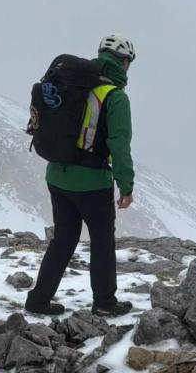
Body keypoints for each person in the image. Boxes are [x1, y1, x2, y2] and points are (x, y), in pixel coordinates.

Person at [25, 34, 136, 318]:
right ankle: (104, 303)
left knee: (63, 239)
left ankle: (38, 301)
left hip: (57, 175)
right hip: (91, 182)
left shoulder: (72, 83)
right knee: (101, 242)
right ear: (124, 63)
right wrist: (126, 186)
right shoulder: (115, 96)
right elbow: (119, 145)